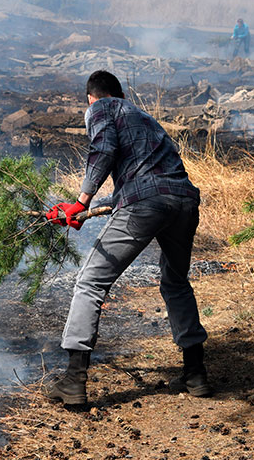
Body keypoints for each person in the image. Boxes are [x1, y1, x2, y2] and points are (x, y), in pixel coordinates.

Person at [43, 70, 211, 404]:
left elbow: (103, 150)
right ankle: (196, 374)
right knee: (176, 283)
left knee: (90, 282)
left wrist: (81, 201)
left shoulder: (103, 107)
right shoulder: (145, 119)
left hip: (148, 203)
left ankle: (74, 381)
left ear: (93, 96)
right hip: (184, 201)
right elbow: (144, 179)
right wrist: (89, 210)